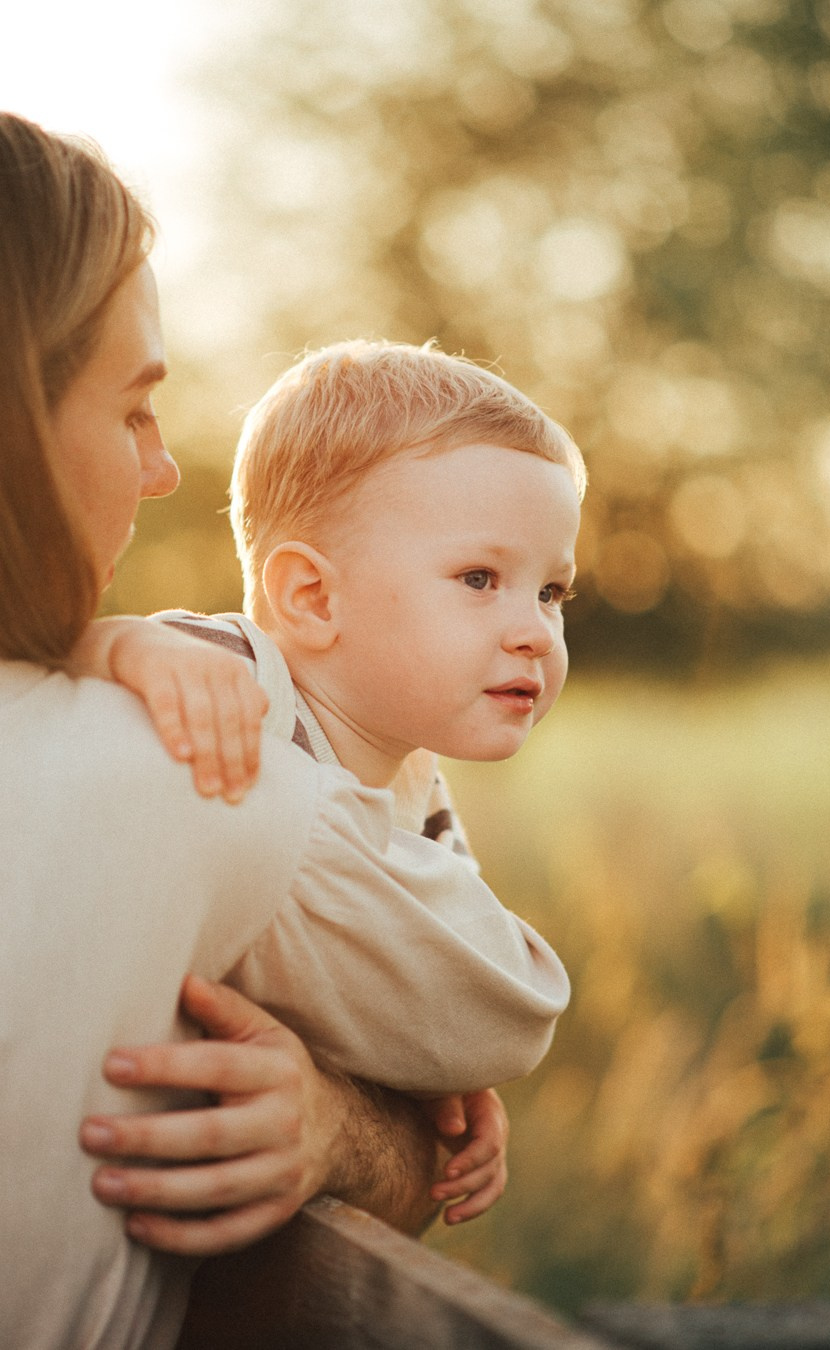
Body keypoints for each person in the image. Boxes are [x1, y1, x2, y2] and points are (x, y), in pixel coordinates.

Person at [0, 112, 540, 1350]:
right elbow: (502, 1009)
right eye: (133, 412)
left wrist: (95, 639)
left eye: (544, 591)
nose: (159, 472)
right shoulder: (189, 758)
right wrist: (349, 1124)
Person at [72, 342, 585, 1208]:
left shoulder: (417, 783)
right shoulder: (229, 671)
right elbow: (42, 675)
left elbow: (439, 966)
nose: (535, 631)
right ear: (311, 597)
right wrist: (117, 643)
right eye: (479, 578)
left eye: (551, 592)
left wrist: (443, 1079)